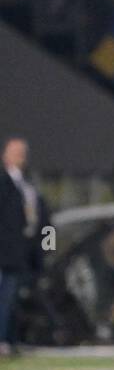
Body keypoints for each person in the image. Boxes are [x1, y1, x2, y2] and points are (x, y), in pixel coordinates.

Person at [0, 138, 46, 354]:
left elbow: (46, 224)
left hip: (24, 257)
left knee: (14, 301)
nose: (20, 156)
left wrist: (47, 249)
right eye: (15, 152)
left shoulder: (30, 188)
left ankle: (11, 340)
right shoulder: (5, 184)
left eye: (22, 152)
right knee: (5, 299)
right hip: (6, 255)